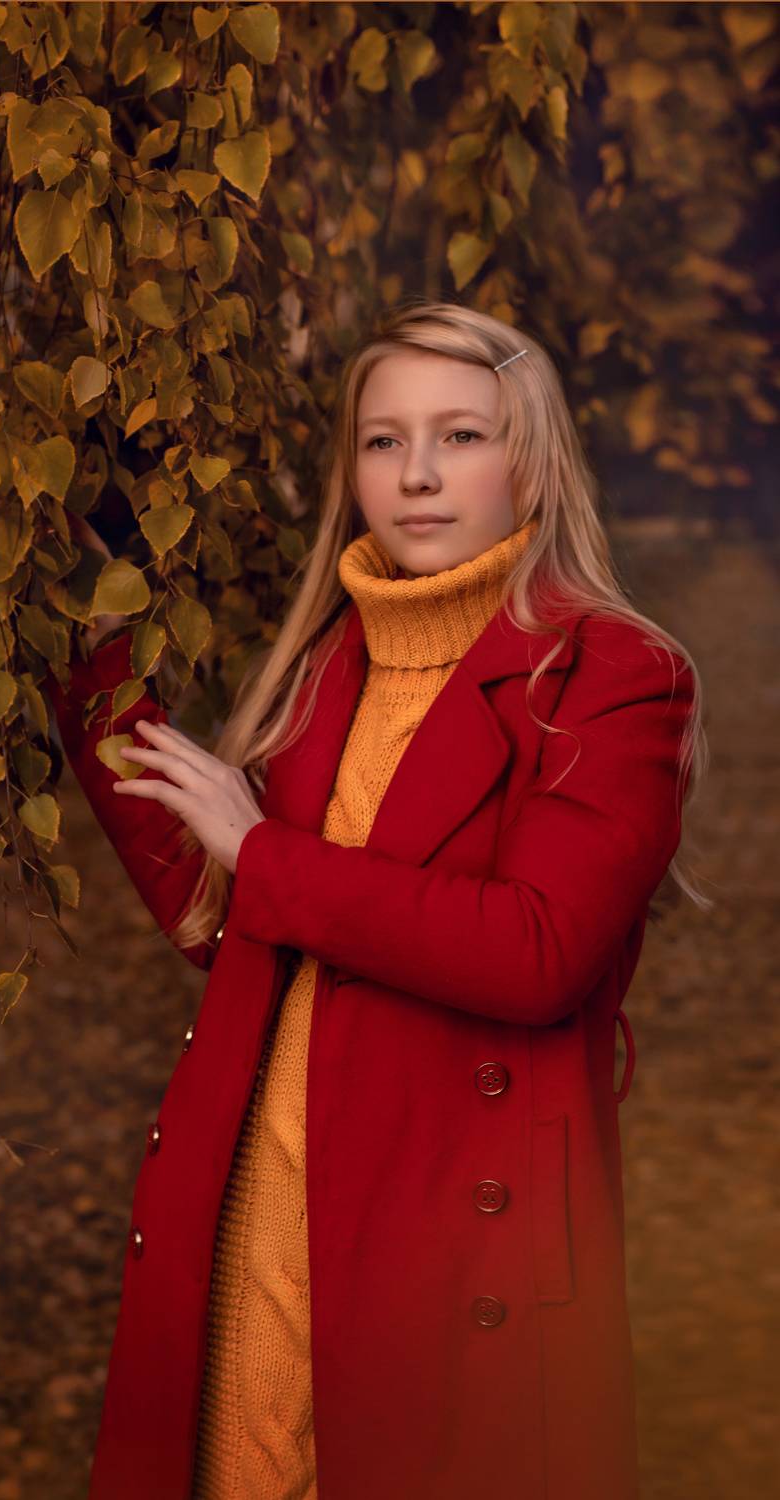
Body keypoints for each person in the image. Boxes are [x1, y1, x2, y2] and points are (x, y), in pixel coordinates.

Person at [44, 300, 708, 1500]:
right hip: (263, 1204)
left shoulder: (615, 675)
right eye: (383, 440)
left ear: (533, 460)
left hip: (451, 1245)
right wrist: (89, 661)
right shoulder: (327, 660)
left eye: (462, 436)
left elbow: (537, 950)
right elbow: (241, 917)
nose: (416, 475)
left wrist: (264, 853)